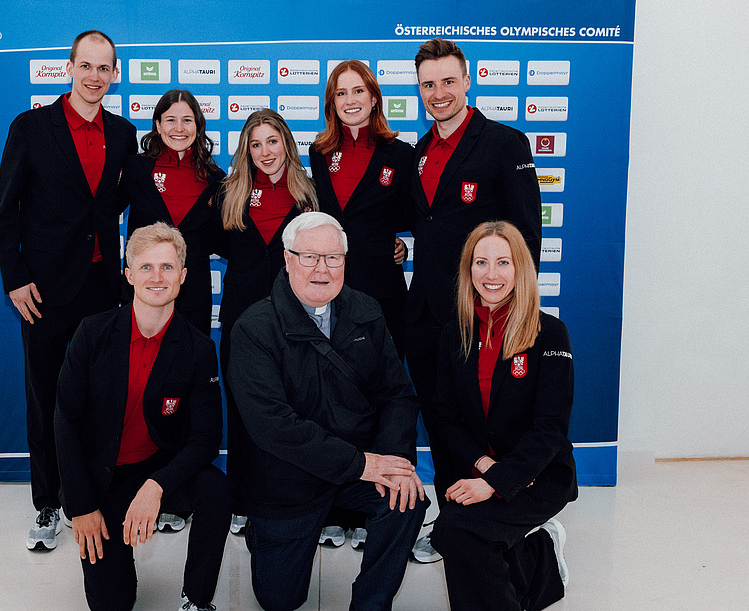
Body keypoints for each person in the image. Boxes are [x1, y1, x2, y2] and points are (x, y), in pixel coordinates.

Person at [228, 212, 428, 611]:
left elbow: (398, 395)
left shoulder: (366, 310)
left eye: (333, 258)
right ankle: (263, 533)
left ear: (345, 261)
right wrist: (361, 464)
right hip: (288, 480)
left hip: (358, 464)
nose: (323, 269)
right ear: (287, 260)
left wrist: (390, 462)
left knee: (408, 499)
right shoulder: (253, 328)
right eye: (310, 257)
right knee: (278, 600)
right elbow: (273, 427)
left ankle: (371, 603)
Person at [0, 30, 137, 551]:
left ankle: (94, 497)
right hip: (44, 292)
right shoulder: (31, 127)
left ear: (114, 74)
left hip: (102, 289)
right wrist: (15, 279)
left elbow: (112, 201)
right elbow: (6, 213)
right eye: (86, 66)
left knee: (100, 398)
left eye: (105, 68)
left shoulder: (122, 133)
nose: (95, 76)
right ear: (69, 68)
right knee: (46, 396)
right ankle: (48, 503)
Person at [405, 38, 542, 562]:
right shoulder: (419, 152)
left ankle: (502, 513)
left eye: (447, 81)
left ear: (468, 82)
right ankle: (451, 517)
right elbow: (429, 225)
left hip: (482, 316)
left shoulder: (506, 144)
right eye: (427, 84)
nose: (438, 93)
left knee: (492, 418)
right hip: (426, 317)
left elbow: (525, 238)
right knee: (444, 423)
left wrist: (509, 312)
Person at [55, 223, 231, 611]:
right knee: (112, 604)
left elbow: (205, 437)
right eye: (147, 267)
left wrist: (156, 485)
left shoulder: (198, 349)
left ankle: (197, 600)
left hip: (158, 469)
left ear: (183, 277)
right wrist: (81, 507)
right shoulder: (91, 333)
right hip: (103, 476)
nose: (157, 277)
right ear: (129, 274)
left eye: (167, 267)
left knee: (216, 491)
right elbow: (65, 421)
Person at [428, 220, 576, 610]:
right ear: (468, 269)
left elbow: (551, 429)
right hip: (471, 469)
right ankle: (538, 557)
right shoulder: (453, 333)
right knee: (467, 538)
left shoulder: (550, 333)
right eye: (481, 262)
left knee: (456, 532)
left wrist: (501, 479)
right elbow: (443, 419)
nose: (491, 274)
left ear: (520, 269)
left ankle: (532, 553)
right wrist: (483, 467)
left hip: (537, 474)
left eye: (503, 262)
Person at [216, 109, 317, 535]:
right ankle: (241, 497)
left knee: (291, 408)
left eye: (272, 141)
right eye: (255, 144)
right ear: (246, 150)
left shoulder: (309, 194)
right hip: (241, 316)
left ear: (286, 145)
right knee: (243, 407)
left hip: (292, 317)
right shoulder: (229, 193)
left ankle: (291, 496)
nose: (264, 152)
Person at [309, 59, 413, 359]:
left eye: (358, 90)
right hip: (330, 287)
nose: (350, 100)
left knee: (385, 380)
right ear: (332, 102)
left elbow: (411, 214)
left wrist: (398, 244)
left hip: (382, 287)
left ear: (374, 97)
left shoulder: (401, 154)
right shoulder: (319, 151)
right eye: (341, 93)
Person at [120, 89, 225, 337]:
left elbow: (221, 239)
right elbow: (101, 212)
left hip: (194, 293)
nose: (179, 128)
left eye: (187, 120)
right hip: (144, 290)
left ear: (198, 126)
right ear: (158, 124)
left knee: (192, 366)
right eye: (170, 120)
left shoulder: (215, 179)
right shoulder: (135, 169)